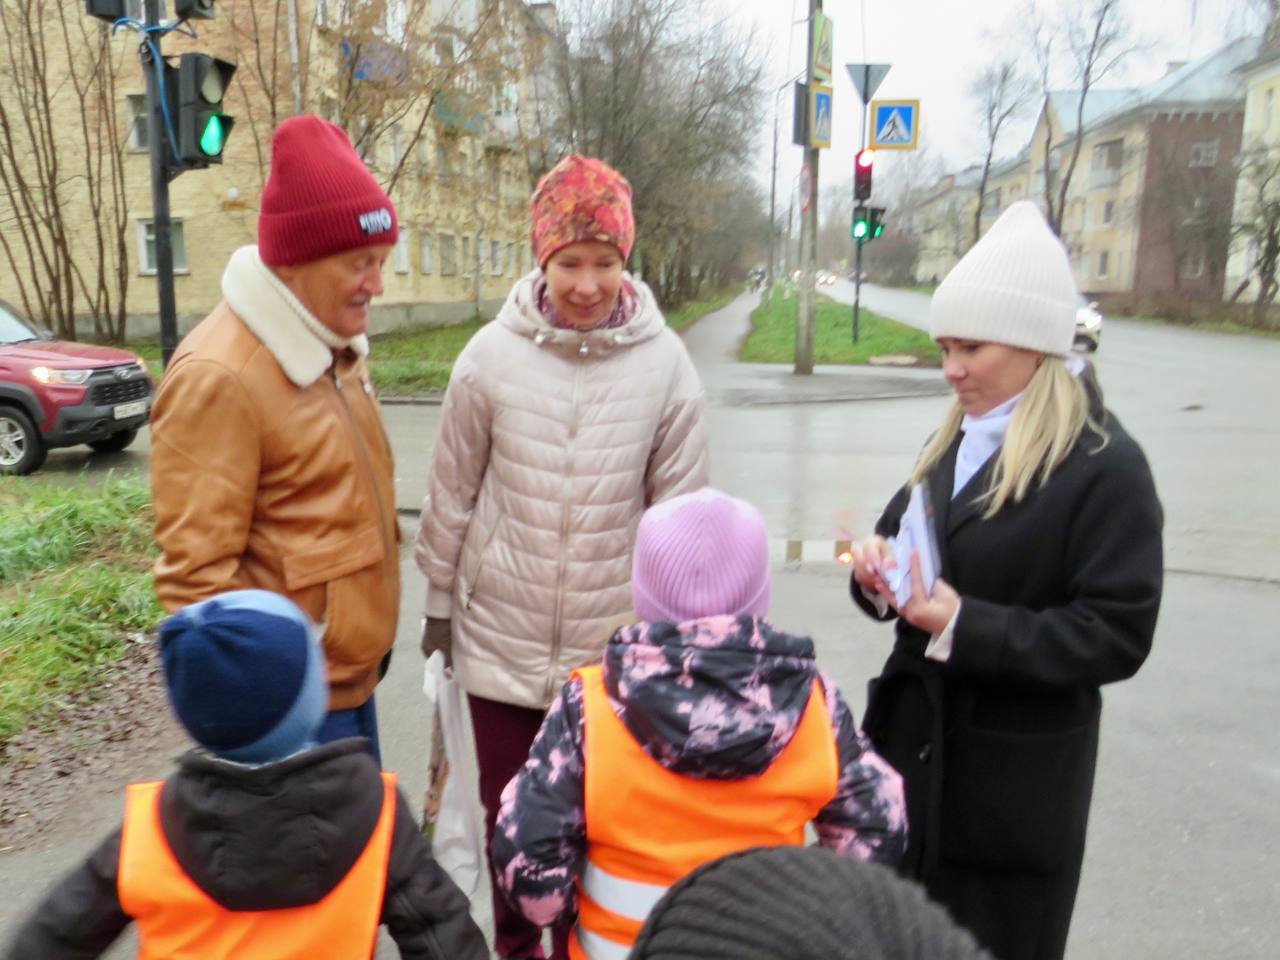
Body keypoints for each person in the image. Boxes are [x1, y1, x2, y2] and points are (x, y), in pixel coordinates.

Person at [847, 201, 1163, 960]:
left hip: (1011, 793)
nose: (951, 368)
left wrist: (964, 626)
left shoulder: (1105, 466)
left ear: (1032, 345)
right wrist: (876, 579)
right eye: (945, 347)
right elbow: (904, 543)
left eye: (970, 348)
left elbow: (1116, 634)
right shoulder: (954, 436)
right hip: (913, 764)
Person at [415, 154, 709, 960]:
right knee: (512, 842)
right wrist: (439, 610)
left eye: (604, 262)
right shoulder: (487, 357)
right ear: (541, 259)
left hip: (608, 662)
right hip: (499, 650)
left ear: (627, 261)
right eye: (570, 261)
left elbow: (682, 522)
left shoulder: (665, 366)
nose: (587, 283)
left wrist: (677, 647)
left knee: (595, 846)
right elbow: (452, 496)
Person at [491, 488, 908, 960]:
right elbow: (879, 827)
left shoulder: (590, 707)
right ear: (759, 595)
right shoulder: (815, 703)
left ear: (644, 591)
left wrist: (566, 904)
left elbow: (526, 866)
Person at [4, 590, 488, 960]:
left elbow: (53, 936)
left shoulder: (149, 830)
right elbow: (444, 937)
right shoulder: (375, 813)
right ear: (309, 699)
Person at [150, 115, 401, 762]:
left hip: (350, 688)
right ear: (294, 264)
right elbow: (194, 587)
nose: (377, 283)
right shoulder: (219, 376)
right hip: (289, 723)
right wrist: (262, 720)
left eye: (380, 261)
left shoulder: (334, 345)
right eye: (359, 263)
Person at [629, 846, 991, 960]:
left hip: (638, 935)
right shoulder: (814, 699)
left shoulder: (596, 700)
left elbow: (567, 837)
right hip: (787, 901)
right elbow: (875, 812)